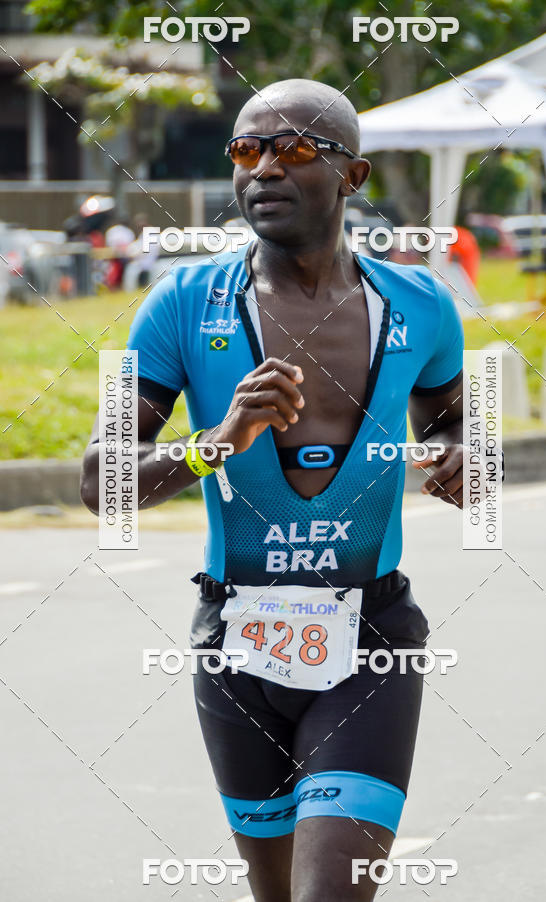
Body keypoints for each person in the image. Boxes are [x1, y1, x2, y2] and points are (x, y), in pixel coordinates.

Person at [81, 78, 465, 902]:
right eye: (247, 151)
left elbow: (463, 425)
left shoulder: (423, 304)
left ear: (352, 178)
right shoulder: (178, 303)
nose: (264, 170)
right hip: (236, 640)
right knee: (277, 893)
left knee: (332, 893)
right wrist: (215, 445)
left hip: (371, 636)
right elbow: (98, 480)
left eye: (294, 150)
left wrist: (469, 462)